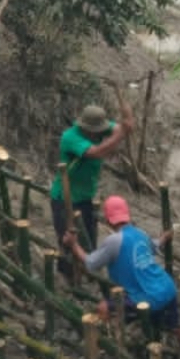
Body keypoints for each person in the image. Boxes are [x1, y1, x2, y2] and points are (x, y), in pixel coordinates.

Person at [62, 195, 180, 340]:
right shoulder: (140, 233)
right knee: (174, 328)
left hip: (148, 298)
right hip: (168, 289)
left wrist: (73, 245)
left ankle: (109, 344)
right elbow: (154, 245)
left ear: (108, 220)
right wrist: (164, 237)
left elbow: (90, 263)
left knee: (103, 307)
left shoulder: (114, 241)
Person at [50, 103, 134, 258]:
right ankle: (68, 277)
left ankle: (87, 271)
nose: (98, 134)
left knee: (88, 239)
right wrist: (122, 134)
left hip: (85, 197)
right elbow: (95, 152)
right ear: (84, 127)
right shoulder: (70, 137)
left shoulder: (100, 128)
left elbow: (117, 129)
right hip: (66, 198)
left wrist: (126, 123)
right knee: (69, 241)